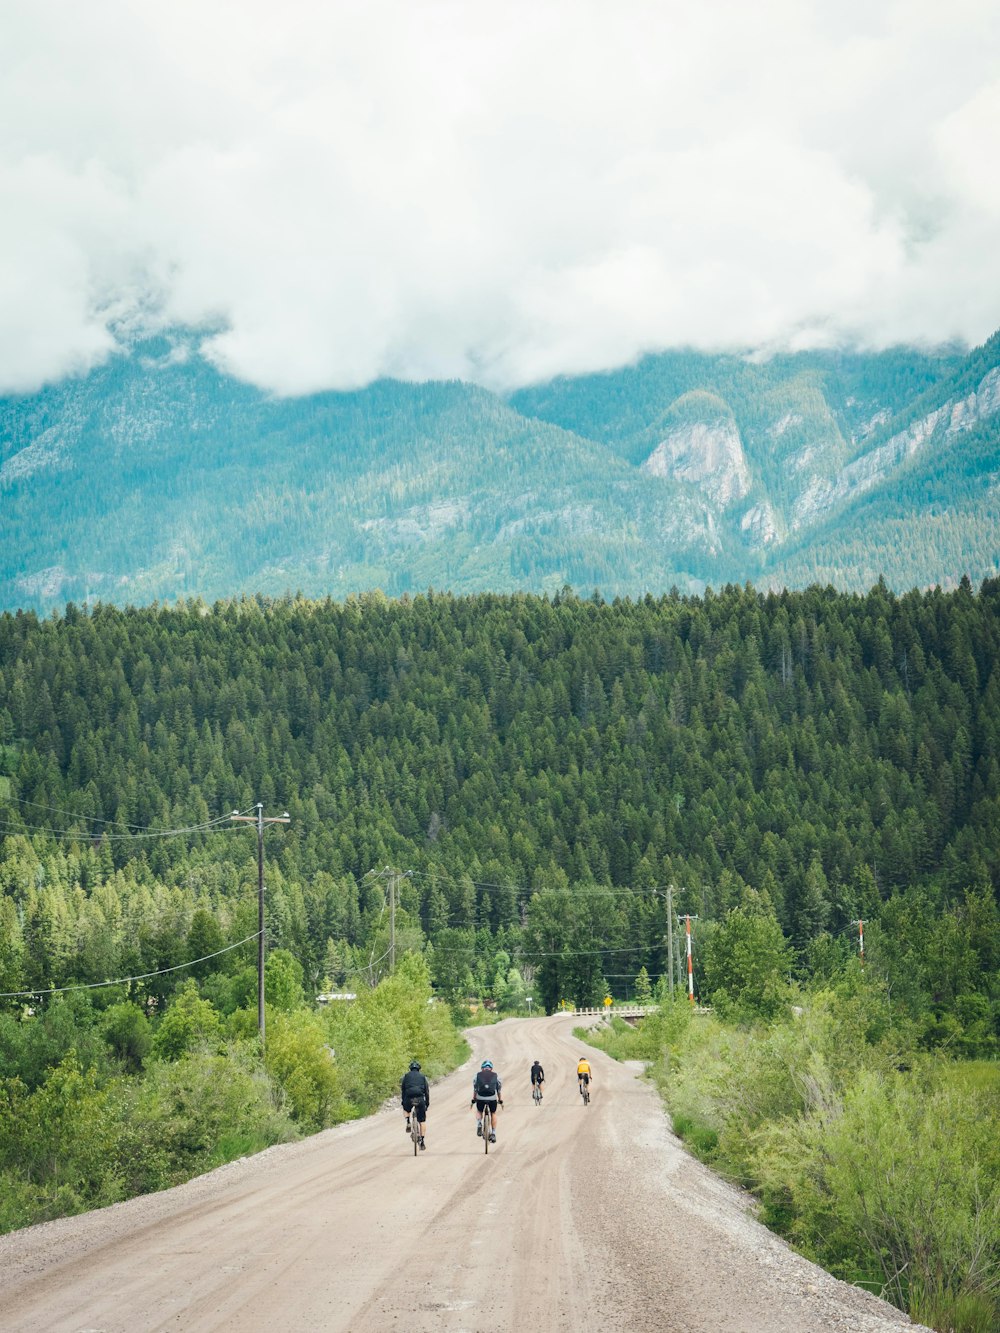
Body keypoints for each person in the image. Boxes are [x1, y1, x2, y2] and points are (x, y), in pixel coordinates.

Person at [471, 1059, 503, 1142]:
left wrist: (474, 1099)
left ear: (482, 1068)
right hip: (492, 1098)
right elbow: (498, 1090)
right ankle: (493, 1133)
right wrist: (500, 1099)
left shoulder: (477, 1075)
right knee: (493, 1113)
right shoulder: (496, 1075)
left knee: (479, 1110)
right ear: (491, 1068)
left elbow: (475, 1089)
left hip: (480, 1098)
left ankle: (479, 1124)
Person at [401, 1060, 430, 1150]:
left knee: (406, 1109)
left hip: (409, 1098)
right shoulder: (422, 1077)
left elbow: (403, 1090)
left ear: (410, 1069)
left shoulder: (406, 1076)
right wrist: (427, 1103)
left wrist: (403, 1101)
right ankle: (422, 1141)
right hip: (419, 1098)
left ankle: (408, 1121)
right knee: (422, 1121)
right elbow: (426, 1091)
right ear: (419, 1069)